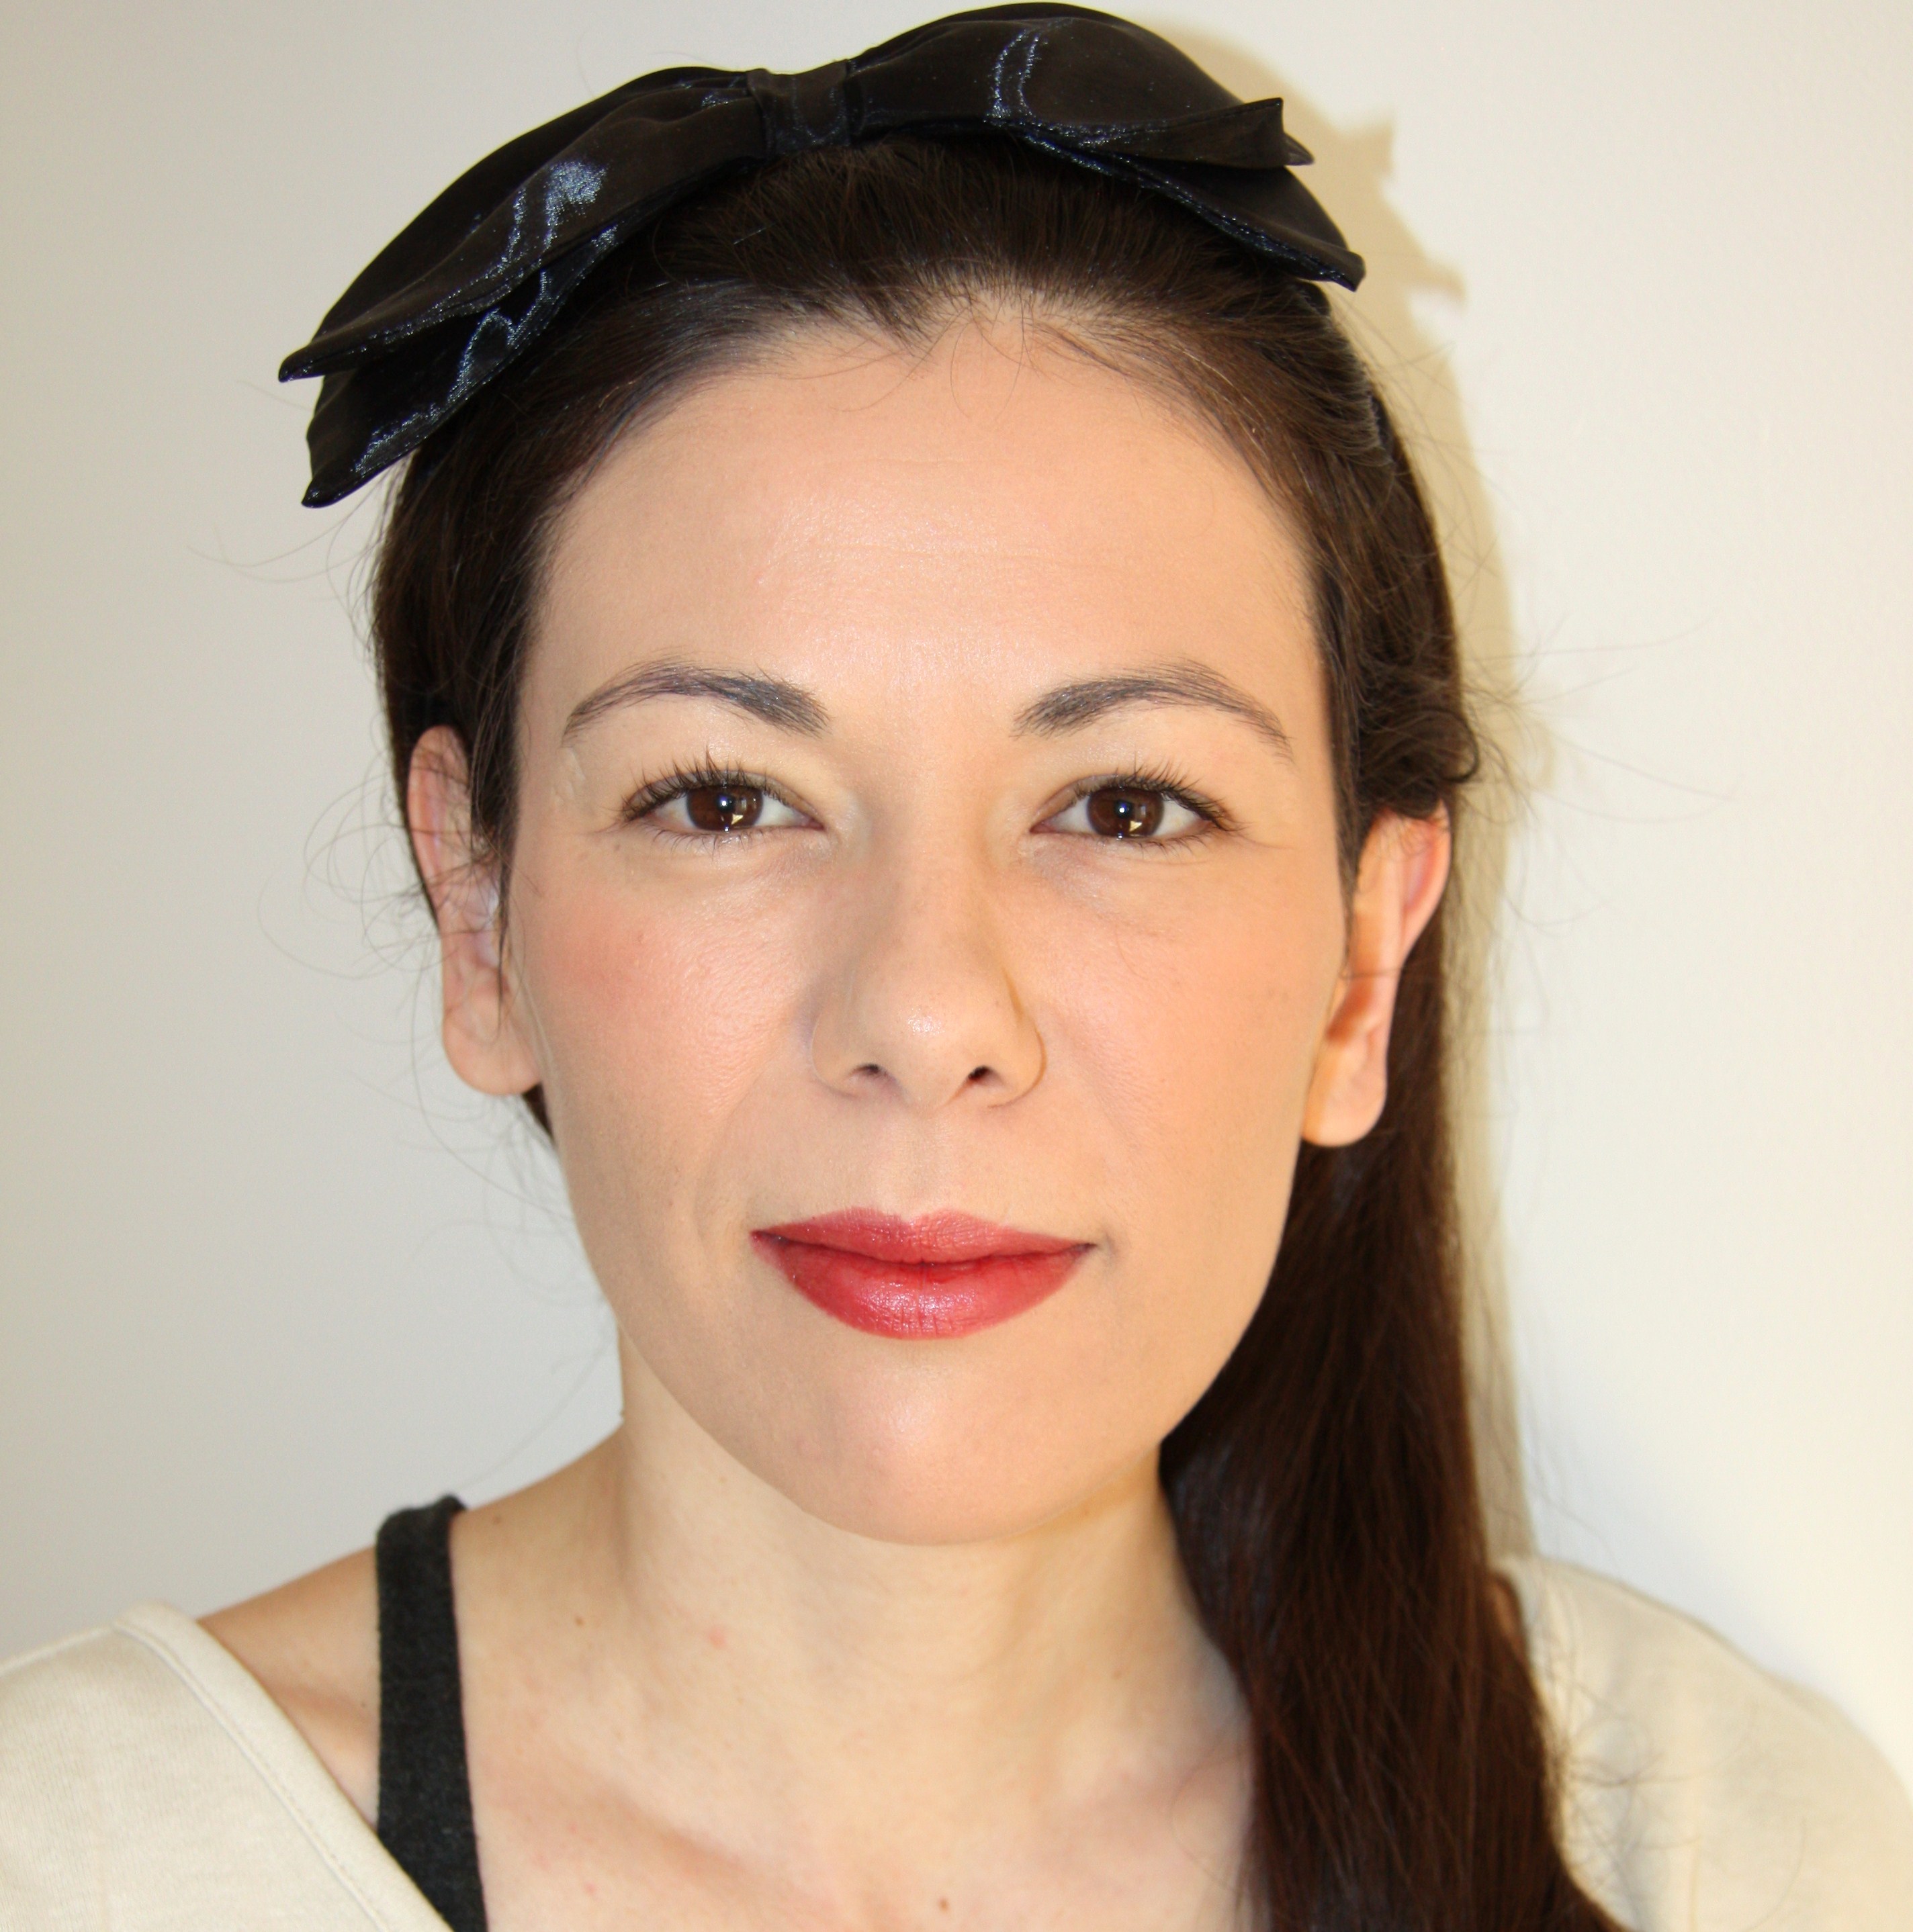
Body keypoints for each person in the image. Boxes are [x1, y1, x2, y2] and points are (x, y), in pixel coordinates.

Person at [2, 9, 1908, 1929]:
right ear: (478, 914)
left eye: (1127, 806)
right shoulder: (77, 1860)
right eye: (725, 800)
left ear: (1360, 968)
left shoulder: (1719, 1859)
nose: (926, 1016)